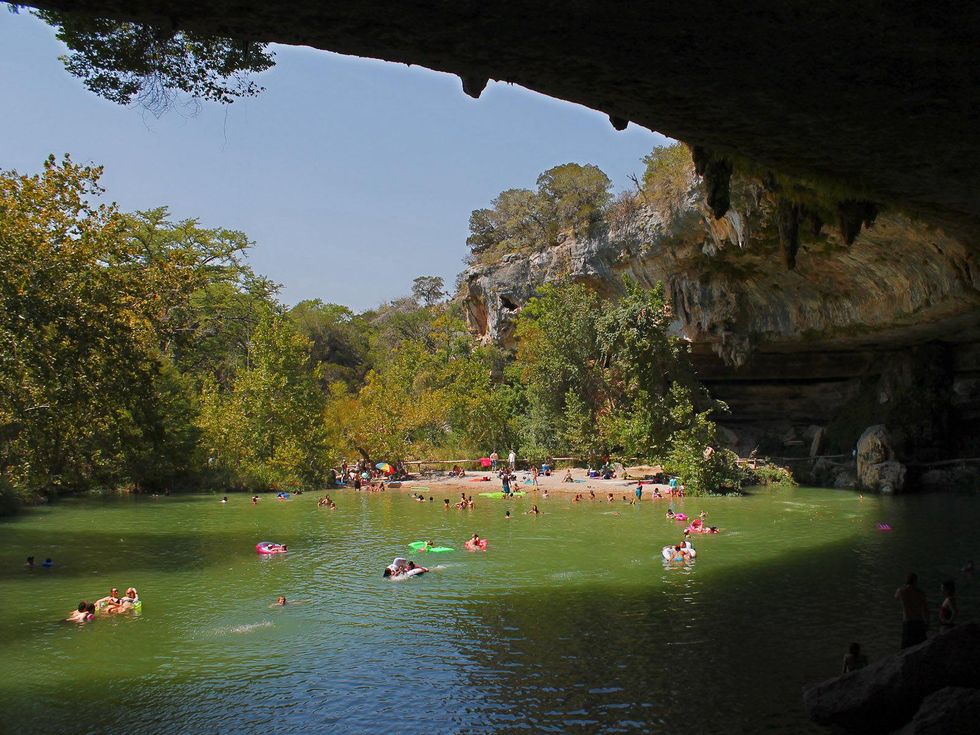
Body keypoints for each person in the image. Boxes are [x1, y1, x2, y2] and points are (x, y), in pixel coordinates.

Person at [895, 572, 929, 649]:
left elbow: (896, 597)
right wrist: (927, 623)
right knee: (921, 646)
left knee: (906, 647)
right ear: (915, 581)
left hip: (908, 621)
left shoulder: (901, 591)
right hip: (919, 621)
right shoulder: (921, 593)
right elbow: (926, 610)